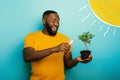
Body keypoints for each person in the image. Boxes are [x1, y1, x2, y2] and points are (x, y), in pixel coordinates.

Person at [23, 10, 92, 80]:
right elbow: (28, 57)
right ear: (44, 21)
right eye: (53, 21)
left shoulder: (65, 39)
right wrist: (55, 49)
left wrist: (77, 60)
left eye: (58, 21)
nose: (56, 24)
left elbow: (68, 64)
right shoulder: (31, 37)